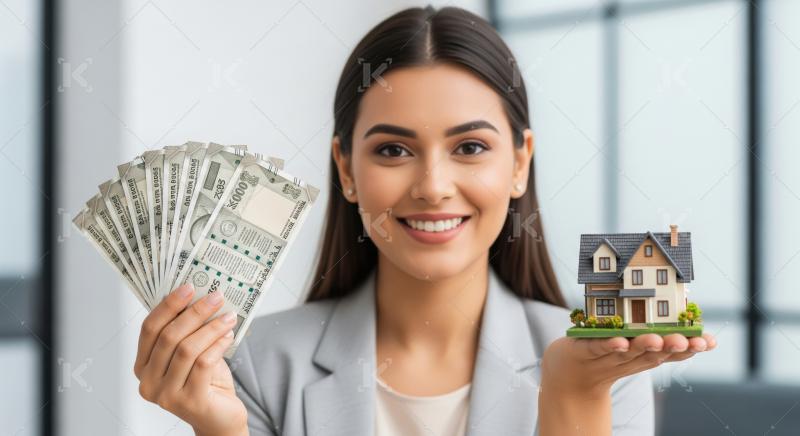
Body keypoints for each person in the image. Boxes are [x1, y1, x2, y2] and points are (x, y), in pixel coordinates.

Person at [132, 5, 717, 436]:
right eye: (393, 150)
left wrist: (573, 392)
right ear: (347, 168)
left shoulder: (607, 364)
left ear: (520, 164)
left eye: (470, 148)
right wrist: (222, 432)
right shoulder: (257, 362)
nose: (433, 187)